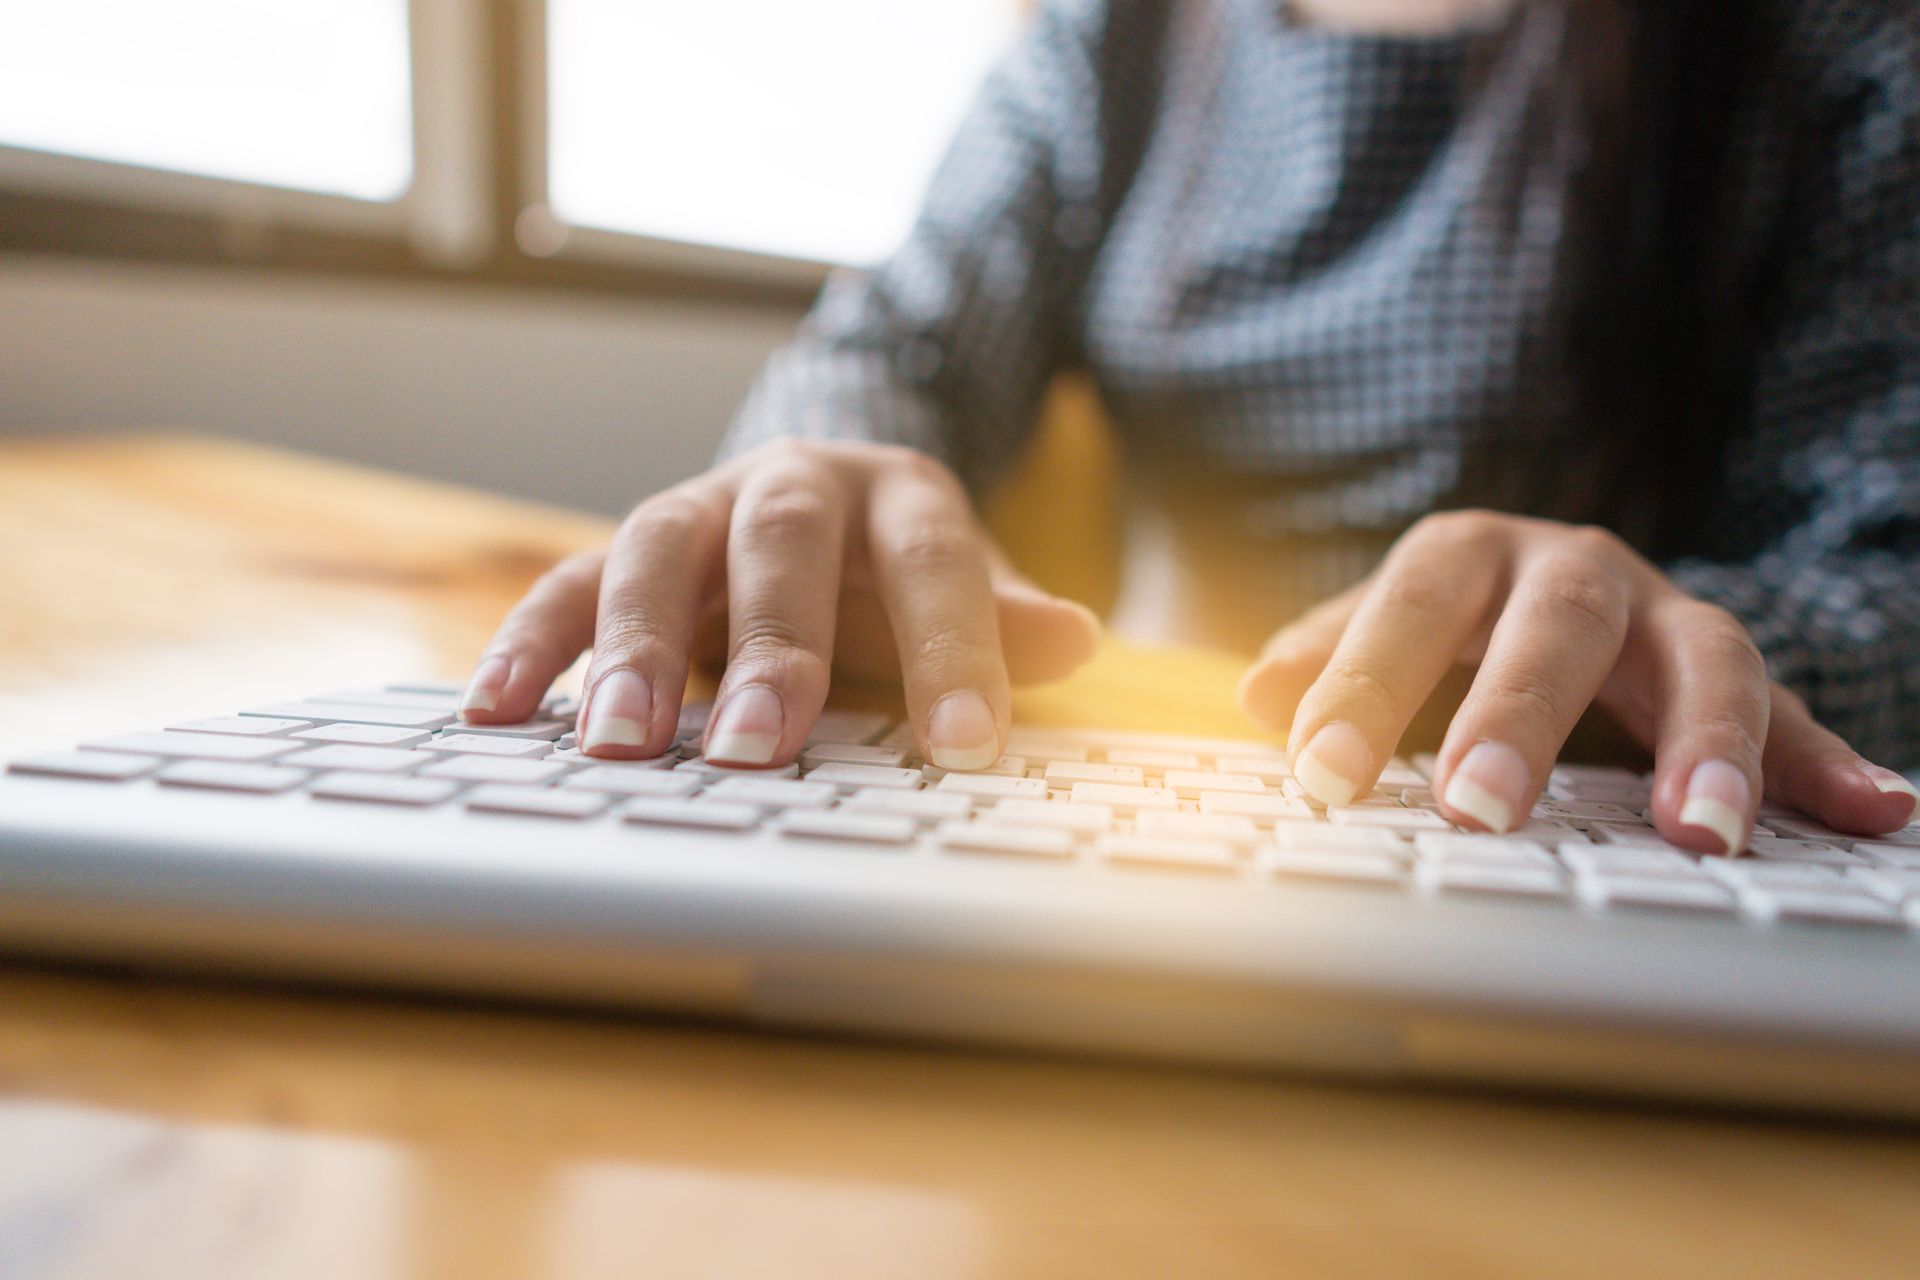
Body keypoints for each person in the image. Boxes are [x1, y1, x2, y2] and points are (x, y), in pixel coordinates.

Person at [463, 0, 1920, 856]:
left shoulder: (1834, 48)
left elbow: (1890, 554)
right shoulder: (1128, 26)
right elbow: (901, 337)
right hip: (1125, 814)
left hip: (1573, 822)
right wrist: (814, 470)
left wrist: (1697, 650)